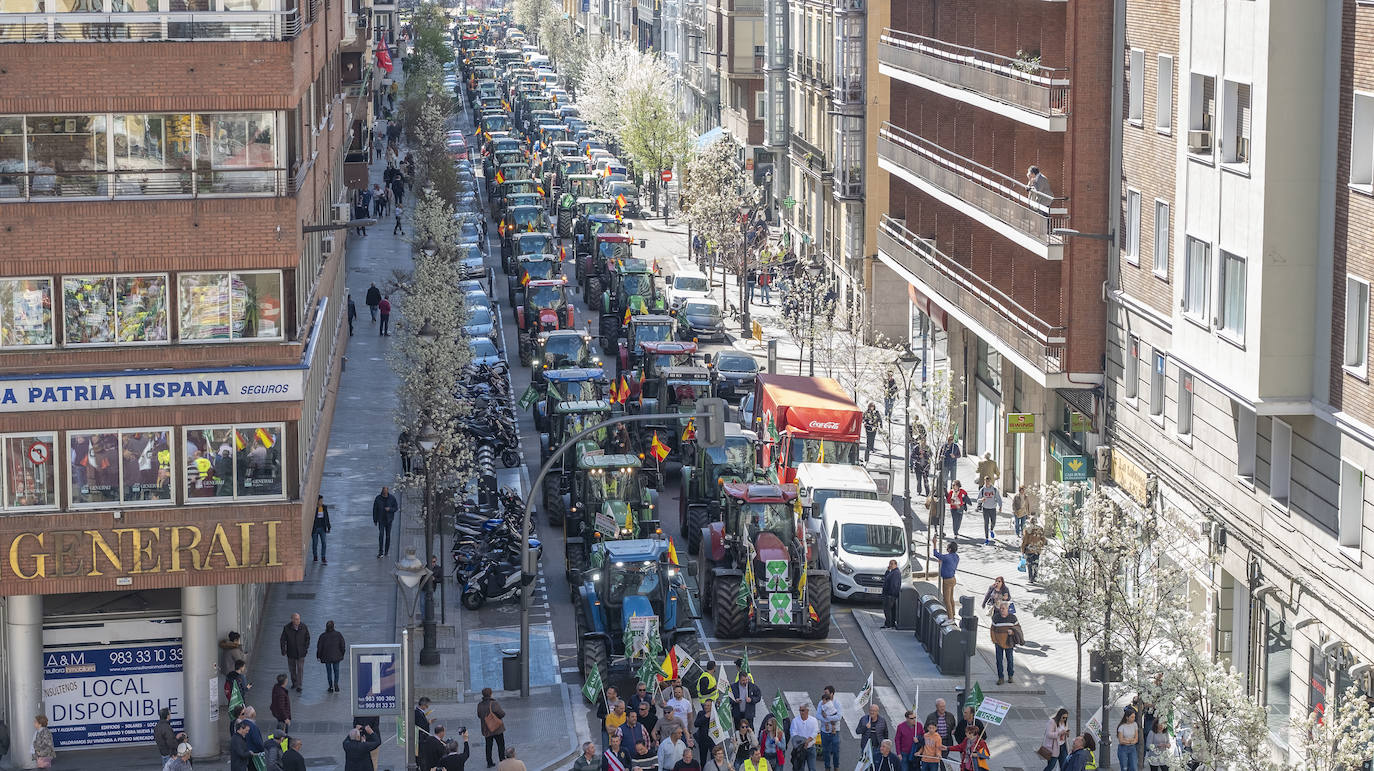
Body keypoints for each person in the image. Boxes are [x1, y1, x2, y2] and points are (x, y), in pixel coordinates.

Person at [989, 601, 1019, 685]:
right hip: (998, 643)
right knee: (999, 661)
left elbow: (1018, 629)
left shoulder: (1013, 618)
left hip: (1009, 643)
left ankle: (1010, 676)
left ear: (1007, 609)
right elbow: (992, 630)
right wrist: (994, 640)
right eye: (1000, 608)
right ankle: (1000, 678)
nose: (1001, 610)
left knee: (1010, 660)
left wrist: (1012, 632)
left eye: (1003, 609)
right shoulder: (996, 618)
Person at [279, 613, 310, 693]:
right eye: (296, 619)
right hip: (291, 652)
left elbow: (307, 638)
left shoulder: (303, 627)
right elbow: (282, 640)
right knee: (292, 669)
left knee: (300, 669)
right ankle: (294, 682)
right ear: (292, 620)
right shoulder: (287, 628)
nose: (298, 621)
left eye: (299, 619)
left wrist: (305, 648)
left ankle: (299, 685)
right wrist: (283, 650)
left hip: (301, 653)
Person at [477, 687, 507, 767]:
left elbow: (479, 715)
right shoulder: (493, 703)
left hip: (487, 729)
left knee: (488, 746)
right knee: (500, 745)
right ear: (490, 694)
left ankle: (489, 763)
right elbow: (502, 714)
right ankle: (502, 760)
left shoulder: (480, 705)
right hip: (497, 728)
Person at [316, 620, 346, 693]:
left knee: (329, 672)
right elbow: (342, 645)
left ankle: (330, 686)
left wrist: (318, 656)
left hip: (326, 657)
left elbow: (319, 647)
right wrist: (342, 654)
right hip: (336, 656)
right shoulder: (338, 634)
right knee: (336, 671)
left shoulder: (323, 636)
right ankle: (336, 684)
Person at [788, 703, 819, 771]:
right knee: (800, 768)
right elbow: (793, 733)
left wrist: (807, 741)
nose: (801, 712)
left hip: (811, 748)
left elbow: (815, 732)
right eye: (800, 710)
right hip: (799, 749)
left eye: (802, 710)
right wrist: (803, 743)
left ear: (807, 711)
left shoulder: (813, 720)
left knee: (812, 768)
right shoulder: (795, 721)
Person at [817, 686, 841, 771]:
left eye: (826, 693)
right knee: (825, 751)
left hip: (835, 731)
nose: (825, 694)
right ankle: (827, 767)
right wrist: (827, 719)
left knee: (835, 750)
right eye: (824, 693)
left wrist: (828, 718)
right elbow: (818, 715)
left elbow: (838, 716)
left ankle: (836, 766)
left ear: (832, 694)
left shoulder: (837, 703)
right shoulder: (821, 703)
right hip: (824, 730)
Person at [933, 542, 959, 615]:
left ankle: (950, 617)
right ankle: (953, 614)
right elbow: (949, 564)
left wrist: (934, 543)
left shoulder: (947, 557)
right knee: (951, 598)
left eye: (947, 547)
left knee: (946, 600)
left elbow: (936, 554)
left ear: (950, 549)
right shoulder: (956, 557)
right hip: (953, 579)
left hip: (947, 580)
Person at [1020, 516, 1048, 583]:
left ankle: (1030, 578)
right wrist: (1041, 546)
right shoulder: (1040, 529)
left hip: (1029, 549)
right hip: (1037, 549)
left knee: (1029, 564)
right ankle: (1035, 577)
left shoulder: (1027, 529)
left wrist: (1022, 550)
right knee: (1036, 563)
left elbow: (1025, 541)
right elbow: (1043, 539)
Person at [220, 631, 248, 695]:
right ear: (235, 640)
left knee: (232, 690)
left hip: (228, 673)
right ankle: (240, 704)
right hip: (235, 673)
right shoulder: (234, 649)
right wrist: (244, 655)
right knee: (242, 690)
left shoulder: (227, 647)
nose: (239, 642)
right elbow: (240, 661)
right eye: (238, 640)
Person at [373, 486, 399, 557]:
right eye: (383, 492)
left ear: (387, 491)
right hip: (381, 520)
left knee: (388, 536)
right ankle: (381, 552)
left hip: (389, 520)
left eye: (385, 492)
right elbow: (375, 510)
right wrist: (375, 520)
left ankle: (386, 551)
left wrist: (390, 509)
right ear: (382, 491)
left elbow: (396, 508)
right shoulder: (378, 498)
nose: (384, 493)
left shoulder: (392, 498)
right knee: (381, 535)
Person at [977, 477, 1001, 545]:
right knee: (986, 523)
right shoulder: (982, 490)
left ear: (990, 481)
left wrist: (1000, 506)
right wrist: (981, 500)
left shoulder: (994, 489)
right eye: (986, 481)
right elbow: (977, 500)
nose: (987, 482)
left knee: (993, 522)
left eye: (988, 481)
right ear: (984, 481)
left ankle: (991, 530)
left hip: (993, 508)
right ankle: (986, 538)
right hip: (985, 508)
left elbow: (998, 498)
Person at [880, 559, 902, 629]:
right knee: (890, 610)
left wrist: (891, 593)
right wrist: (887, 571)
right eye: (890, 564)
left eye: (892, 564)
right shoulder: (892, 572)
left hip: (890, 595)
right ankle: (891, 623)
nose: (890, 565)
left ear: (895, 565)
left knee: (888, 610)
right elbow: (886, 578)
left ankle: (888, 624)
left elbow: (894, 585)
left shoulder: (896, 573)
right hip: (889, 594)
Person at [311, 494, 331, 564]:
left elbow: (327, 518)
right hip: (315, 528)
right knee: (315, 543)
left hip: (322, 528)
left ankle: (323, 557)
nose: (322, 502)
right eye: (320, 501)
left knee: (324, 543)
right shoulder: (313, 509)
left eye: (322, 501)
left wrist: (329, 527)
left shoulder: (324, 508)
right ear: (317, 501)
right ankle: (315, 556)